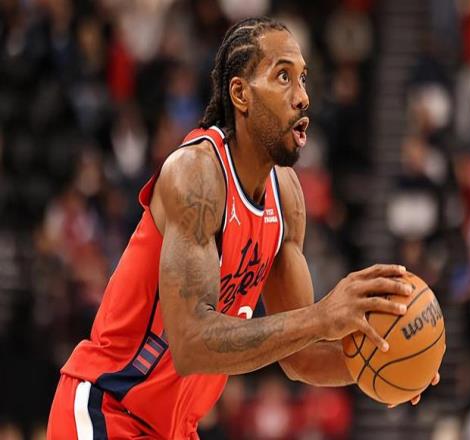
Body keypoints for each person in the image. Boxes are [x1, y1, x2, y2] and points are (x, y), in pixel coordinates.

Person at [47, 17, 439, 439]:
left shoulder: (287, 196)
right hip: (109, 405)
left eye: (303, 78)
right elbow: (191, 344)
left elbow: (300, 358)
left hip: (173, 429)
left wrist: (387, 361)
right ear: (240, 94)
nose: (303, 97)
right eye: (283, 76)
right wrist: (321, 316)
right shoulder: (196, 175)